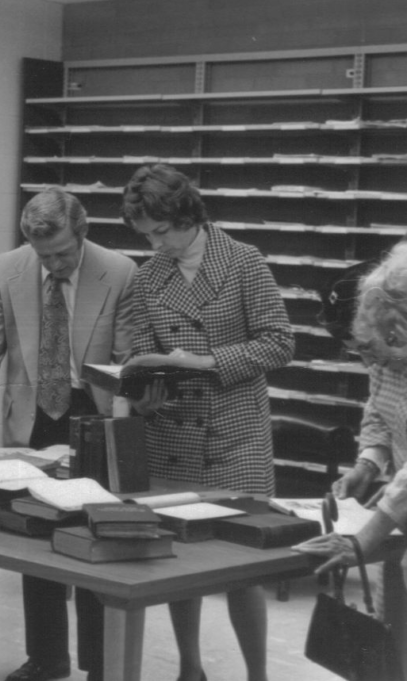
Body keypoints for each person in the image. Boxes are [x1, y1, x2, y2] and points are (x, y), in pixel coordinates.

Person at [0, 187, 136, 681]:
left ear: (83, 233)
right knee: (35, 536)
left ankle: (100, 664)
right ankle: (47, 657)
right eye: (43, 256)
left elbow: (123, 363)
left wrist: (119, 427)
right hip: (35, 417)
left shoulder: (119, 271)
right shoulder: (7, 268)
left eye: (62, 253)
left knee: (94, 540)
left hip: (95, 412)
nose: (53, 264)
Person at [123, 164, 294, 681]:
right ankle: (190, 669)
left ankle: (257, 675)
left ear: (185, 214)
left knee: (244, 568)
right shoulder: (149, 275)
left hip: (235, 436)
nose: (155, 244)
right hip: (172, 431)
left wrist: (207, 362)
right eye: (146, 235)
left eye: (161, 232)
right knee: (181, 559)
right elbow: (140, 352)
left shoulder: (243, 261)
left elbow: (280, 342)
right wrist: (143, 395)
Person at [294, 243, 407, 584]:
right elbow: (380, 408)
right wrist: (369, 464)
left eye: (373, 350)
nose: (372, 363)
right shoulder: (390, 350)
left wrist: (364, 541)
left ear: (398, 328)